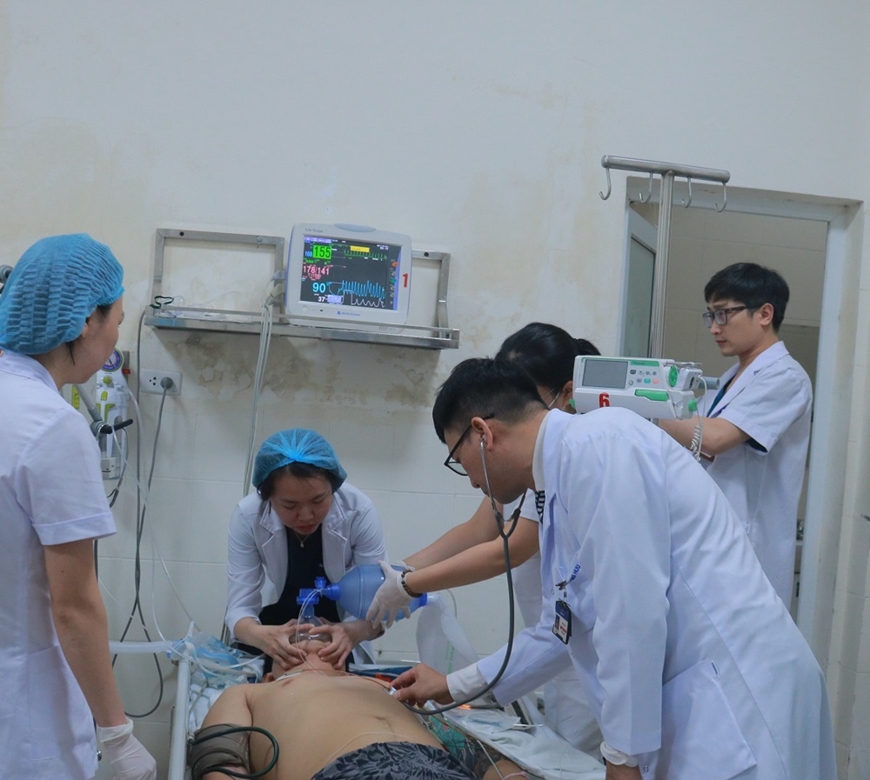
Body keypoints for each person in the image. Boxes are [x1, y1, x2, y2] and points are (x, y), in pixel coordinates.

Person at [391, 357, 835, 780]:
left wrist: (623, 755)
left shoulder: (599, 444)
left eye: (458, 459)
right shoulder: (558, 482)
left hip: (744, 696)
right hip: (705, 699)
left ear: (482, 432)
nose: (471, 479)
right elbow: (561, 628)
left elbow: (630, 612)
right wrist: (455, 685)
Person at [367, 322, 603, 756]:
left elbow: (506, 551)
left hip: (590, 666)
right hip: (559, 649)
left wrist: (410, 585)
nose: (473, 481)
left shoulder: (579, 463)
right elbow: (478, 531)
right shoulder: (535, 472)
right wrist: (397, 573)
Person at [0, 234, 156, 779]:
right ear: (87, 321)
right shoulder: (52, 428)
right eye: (117, 320)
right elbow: (74, 606)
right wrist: (118, 735)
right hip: (21, 720)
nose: (115, 336)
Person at [659, 263, 812, 605]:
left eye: (724, 314)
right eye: (710, 316)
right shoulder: (731, 378)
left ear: (765, 314)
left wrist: (643, 408)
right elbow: (700, 443)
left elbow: (715, 439)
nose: (715, 327)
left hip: (749, 549)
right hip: (713, 542)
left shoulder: (785, 377)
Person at [190, 636, 524, 780]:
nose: (311, 641)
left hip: (438, 770)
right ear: (269, 675)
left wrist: (511, 775)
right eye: (296, 646)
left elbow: (466, 746)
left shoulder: (383, 687)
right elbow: (219, 757)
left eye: (324, 643)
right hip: (347, 770)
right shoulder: (253, 692)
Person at [226, 428, 388, 672]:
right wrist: (262, 637)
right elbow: (239, 608)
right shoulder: (248, 516)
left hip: (340, 627)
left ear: (333, 487)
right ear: (267, 497)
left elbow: (380, 602)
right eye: (289, 505)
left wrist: (354, 632)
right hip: (273, 625)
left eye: (318, 501)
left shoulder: (359, 512)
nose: (305, 515)